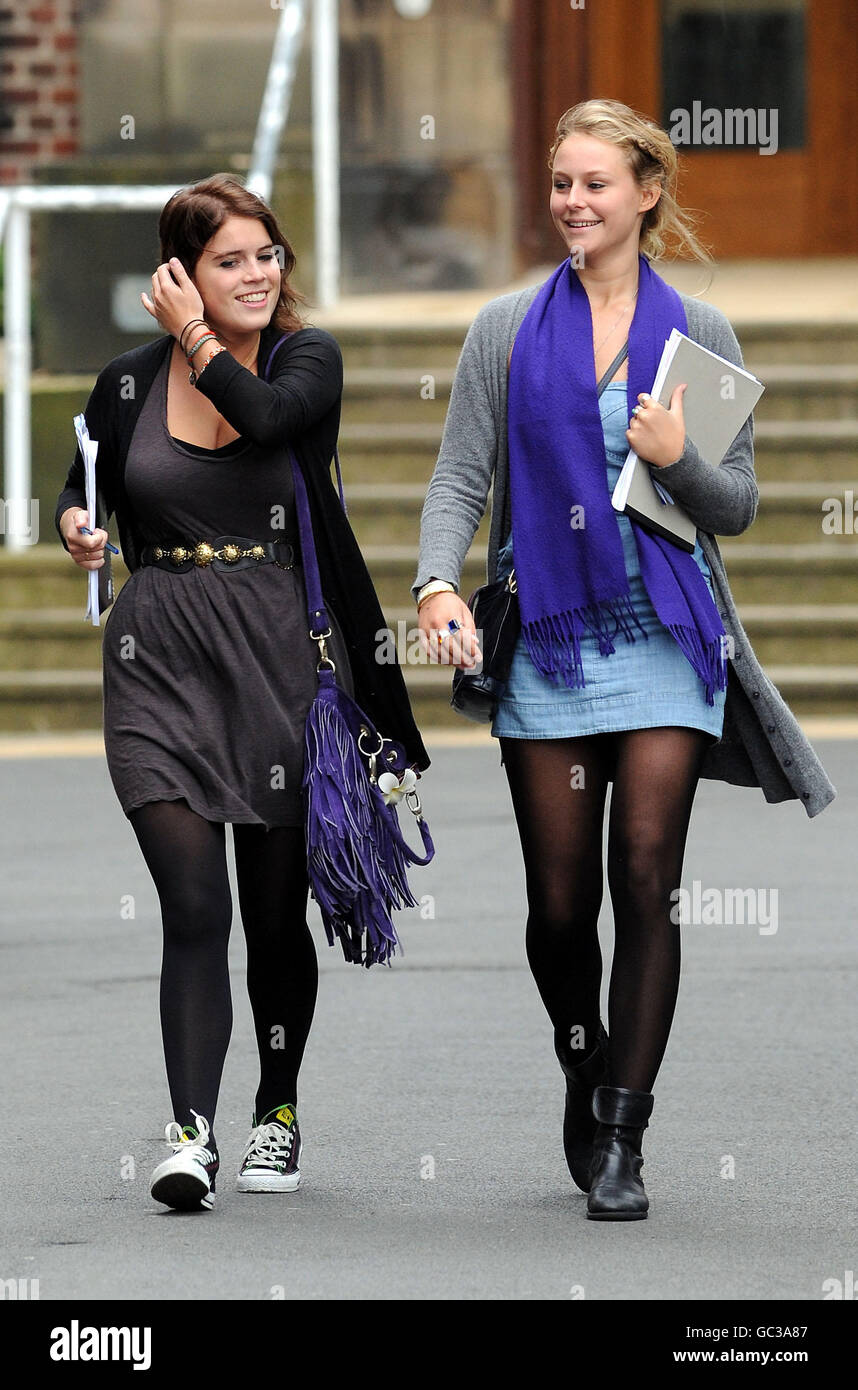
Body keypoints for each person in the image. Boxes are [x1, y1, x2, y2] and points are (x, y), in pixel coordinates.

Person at [414, 99, 834, 1221]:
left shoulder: (702, 335)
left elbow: (734, 505)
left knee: (645, 875)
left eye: (596, 184)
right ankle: (583, 1049)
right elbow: (461, 475)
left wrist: (678, 460)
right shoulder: (504, 329)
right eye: (561, 184)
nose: (573, 204)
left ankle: (621, 1135)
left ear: (646, 193)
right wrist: (438, 582)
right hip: (548, 643)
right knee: (561, 911)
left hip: (668, 637)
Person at [56, 173, 428, 1213]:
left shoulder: (308, 362)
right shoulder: (128, 383)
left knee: (273, 919)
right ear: (182, 272)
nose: (259, 274)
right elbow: (83, 480)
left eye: (269, 255)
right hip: (158, 659)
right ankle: (189, 1132)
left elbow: (267, 421)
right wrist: (76, 528)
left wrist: (202, 341)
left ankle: (276, 1107)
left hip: (278, 656)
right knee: (192, 905)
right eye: (231, 259)